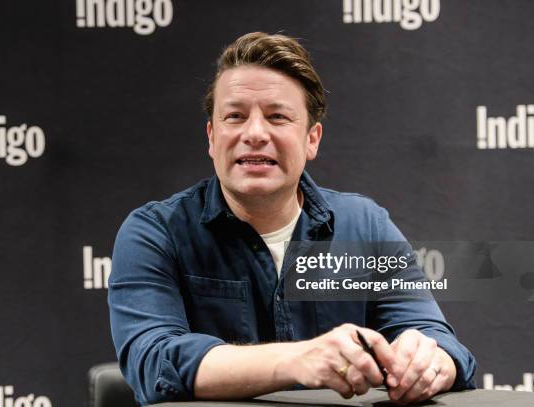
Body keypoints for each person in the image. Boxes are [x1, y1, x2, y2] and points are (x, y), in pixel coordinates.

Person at [108, 32, 476, 406]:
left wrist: (432, 361)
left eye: (277, 117)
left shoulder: (365, 226)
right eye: (235, 116)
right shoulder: (155, 232)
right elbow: (155, 364)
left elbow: (442, 343)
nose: (254, 133)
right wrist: (300, 359)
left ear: (311, 139)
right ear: (212, 137)